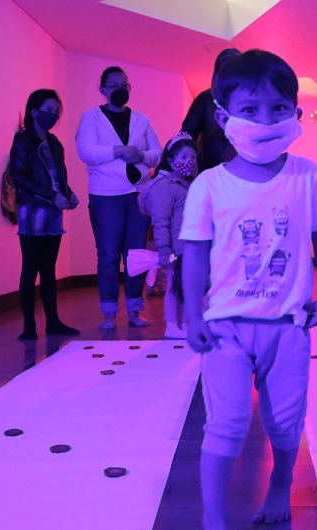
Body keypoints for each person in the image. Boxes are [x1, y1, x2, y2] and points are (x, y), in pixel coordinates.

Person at [180, 49, 317, 529]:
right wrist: (194, 315)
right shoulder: (209, 186)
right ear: (223, 114)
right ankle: (214, 518)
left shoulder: (308, 176)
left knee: (286, 422)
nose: (265, 120)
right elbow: (194, 252)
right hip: (226, 329)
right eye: (250, 109)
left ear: (295, 112)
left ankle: (279, 487)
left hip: (288, 325)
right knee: (226, 426)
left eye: (278, 108)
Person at [76, 66, 162, 330]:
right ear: (103, 90)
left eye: (124, 84)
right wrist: (118, 150)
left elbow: (157, 153)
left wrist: (140, 156)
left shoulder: (142, 119)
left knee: (136, 254)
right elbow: (86, 151)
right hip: (106, 194)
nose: (120, 89)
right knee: (109, 254)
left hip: (138, 193)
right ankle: (109, 313)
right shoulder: (92, 117)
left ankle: (135, 311)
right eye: (113, 85)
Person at [10, 89, 80, 340]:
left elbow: (57, 176)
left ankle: (53, 321)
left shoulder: (55, 142)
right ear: (33, 111)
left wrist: (68, 193)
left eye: (55, 111)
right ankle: (29, 326)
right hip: (32, 210)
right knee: (30, 267)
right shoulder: (22, 140)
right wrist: (53, 196)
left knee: (49, 268)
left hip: (52, 212)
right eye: (47, 110)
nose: (52, 115)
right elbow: (19, 177)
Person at [139, 131, 198, 339]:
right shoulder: (164, 187)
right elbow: (161, 222)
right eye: (183, 157)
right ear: (171, 161)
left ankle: (183, 323)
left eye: (192, 157)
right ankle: (172, 325)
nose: (189, 162)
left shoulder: (189, 183)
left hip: (190, 247)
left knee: (186, 287)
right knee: (174, 285)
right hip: (174, 249)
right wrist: (164, 249)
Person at [181, 48, 241, 170]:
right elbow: (186, 136)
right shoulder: (205, 99)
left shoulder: (251, 99)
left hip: (245, 172)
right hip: (211, 171)